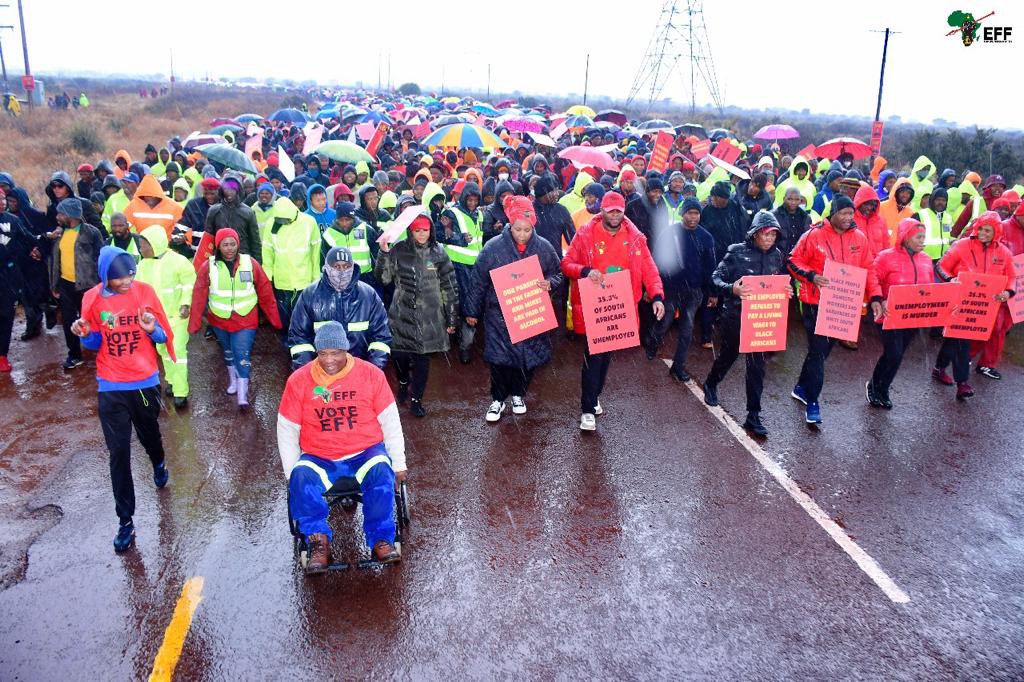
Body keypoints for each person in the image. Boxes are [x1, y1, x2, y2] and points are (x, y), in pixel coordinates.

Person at [277, 321, 407, 572]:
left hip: (365, 452)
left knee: (382, 471)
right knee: (301, 476)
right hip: (319, 456)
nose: (328, 360)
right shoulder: (299, 381)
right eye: (323, 353)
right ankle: (318, 541)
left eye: (335, 353)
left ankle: (381, 538)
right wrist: (290, 472)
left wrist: (399, 462)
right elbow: (287, 428)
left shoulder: (371, 375)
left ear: (346, 350)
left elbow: (390, 420)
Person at [71, 246, 176, 553]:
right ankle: (125, 522)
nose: (127, 282)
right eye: (119, 278)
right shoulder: (92, 298)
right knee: (118, 452)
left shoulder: (145, 292)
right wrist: (84, 333)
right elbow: (93, 342)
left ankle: (158, 462)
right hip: (111, 385)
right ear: (105, 277)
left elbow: (162, 336)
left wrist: (152, 328)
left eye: (130, 274)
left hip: (144, 383)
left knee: (150, 437)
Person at [561, 191, 665, 432]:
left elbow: (649, 269)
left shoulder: (636, 237)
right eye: (611, 211)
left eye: (619, 210)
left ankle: (594, 396)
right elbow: (566, 264)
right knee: (593, 357)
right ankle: (587, 409)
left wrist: (657, 295)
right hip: (593, 305)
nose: (615, 215)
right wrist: (585, 272)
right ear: (603, 210)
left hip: (620, 306)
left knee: (606, 355)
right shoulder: (586, 233)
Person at [463, 196, 563, 422]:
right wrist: (471, 311)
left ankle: (518, 394)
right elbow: (478, 280)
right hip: (499, 315)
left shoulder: (544, 247)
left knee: (526, 360)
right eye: (518, 229)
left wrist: (550, 284)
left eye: (527, 230)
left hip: (529, 312)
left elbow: (558, 273)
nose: (522, 234)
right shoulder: (493, 248)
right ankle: (497, 399)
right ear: (510, 224)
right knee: (500, 360)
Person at [787, 195, 881, 424]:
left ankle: (800, 387)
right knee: (819, 350)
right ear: (833, 213)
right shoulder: (814, 234)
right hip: (814, 301)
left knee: (823, 351)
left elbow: (869, 268)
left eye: (851, 213)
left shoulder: (859, 238)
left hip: (843, 304)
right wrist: (812, 276)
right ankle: (812, 401)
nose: (849, 217)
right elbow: (792, 261)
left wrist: (877, 296)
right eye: (844, 213)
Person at [702, 211, 794, 436]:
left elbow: (776, 282)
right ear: (754, 234)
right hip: (735, 316)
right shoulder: (736, 252)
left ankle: (753, 414)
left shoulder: (777, 255)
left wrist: (786, 290)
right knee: (728, 357)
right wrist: (732, 288)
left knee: (756, 368)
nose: (769, 239)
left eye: (774, 235)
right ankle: (711, 383)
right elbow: (715, 277)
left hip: (761, 321)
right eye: (765, 234)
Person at [374, 213, 458, 418]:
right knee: (400, 356)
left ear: (431, 230)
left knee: (423, 360)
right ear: (411, 231)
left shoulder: (439, 253)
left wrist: (452, 318)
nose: (422, 234)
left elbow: (449, 287)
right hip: (402, 313)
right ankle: (403, 382)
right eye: (418, 230)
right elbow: (383, 278)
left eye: (425, 230)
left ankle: (416, 399)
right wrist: (383, 253)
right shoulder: (399, 250)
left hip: (430, 317)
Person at [188, 228, 282, 409]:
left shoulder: (250, 263)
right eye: (225, 244)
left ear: (238, 244)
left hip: (245, 319)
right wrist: (195, 322)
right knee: (228, 351)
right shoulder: (209, 266)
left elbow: (265, 291)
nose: (229, 248)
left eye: (233, 244)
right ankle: (233, 380)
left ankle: (242, 393)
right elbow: (199, 295)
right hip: (220, 319)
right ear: (218, 246)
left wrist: (274, 319)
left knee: (241, 352)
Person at [933, 211, 1015, 396]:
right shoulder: (962, 246)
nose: (984, 233)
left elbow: (1012, 278)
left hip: (983, 307)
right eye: (981, 229)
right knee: (960, 340)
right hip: (959, 302)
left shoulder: (1004, 253)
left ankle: (939, 368)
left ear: (997, 233)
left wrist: (1007, 292)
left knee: (956, 339)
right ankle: (962, 382)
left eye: (989, 231)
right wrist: (951, 279)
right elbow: (941, 266)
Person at [864, 218, 934, 409]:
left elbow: (932, 290)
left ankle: (883, 387)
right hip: (889, 315)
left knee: (898, 354)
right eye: (918, 237)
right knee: (893, 353)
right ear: (906, 237)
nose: (922, 240)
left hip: (913, 318)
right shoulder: (886, 257)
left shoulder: (927, 260)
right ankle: (875, 386)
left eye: (924, 237)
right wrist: (878, 298)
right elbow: (872, 278)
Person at [288, 247, 392, 370]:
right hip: (322, 372)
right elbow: (299, 338)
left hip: (359, 371)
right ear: (326, 267)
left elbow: (381, 337)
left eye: (347, 266)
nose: (342, 271)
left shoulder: (369, 295)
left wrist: (371, 371)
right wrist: (309, 372)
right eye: (336, 267)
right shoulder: (309, 295)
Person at [647, 197, 717, 381]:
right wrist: (655, 290)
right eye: (689, 213)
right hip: (670, 290)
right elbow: (656, 262)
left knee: (687, 330)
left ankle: (678, 367)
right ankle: (652, 345)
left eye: (696, 213)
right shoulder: (669, 233)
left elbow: (711, 268)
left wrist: (712, 292)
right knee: (664, 323)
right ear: (682, 214)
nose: (693, 217)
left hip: (694, 292)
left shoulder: (706, 237)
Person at [135, 225, 195, 408]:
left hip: (177, 317)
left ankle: (181, 392)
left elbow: (189, 284)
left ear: (155, 244)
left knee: (176, 350)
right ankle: (171, 380)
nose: (140, 248)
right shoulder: (142, 264)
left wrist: (185, 303)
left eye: (144, 245)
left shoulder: (179, 261)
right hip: (156, 319)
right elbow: (137, 290)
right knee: (163, 351)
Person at [49, 198, 104, 370]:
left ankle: (102, 350)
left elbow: (100, 258)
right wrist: (54, 284)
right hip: (66, 284)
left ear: (71, 215)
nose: (58, 216)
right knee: (68, 321)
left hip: (88, 285)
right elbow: (55, 260)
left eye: (61, 213)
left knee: (93, 319)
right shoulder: (59, 233)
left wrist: (102, 285)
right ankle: (74, 354)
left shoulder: (92, 233)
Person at [438, 181, 484, 363]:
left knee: (471, 304)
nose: (472, 203)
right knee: (454, 302)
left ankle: (465, 344)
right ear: (463, 198)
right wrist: (459, 239)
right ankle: (453, 338)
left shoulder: (479, 214)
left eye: (475, 200)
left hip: (475, 267)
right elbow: (441, 233)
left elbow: (480, 237)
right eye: (469, 200)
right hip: (456, 266)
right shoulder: (451, 213)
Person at [263, 196, 321, 338]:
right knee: (284, 316)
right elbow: (267, 253)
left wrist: (315, 277)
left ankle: (302, 340)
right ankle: (288, 342)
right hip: (282, 281)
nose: (284, 223)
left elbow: (316, 253)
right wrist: (267, 279)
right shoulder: (272, 224)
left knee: (303, 315)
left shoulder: (308, 222)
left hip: (304, 280)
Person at [0, 193, 41, 371]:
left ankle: (2, 356)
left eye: (3, 200)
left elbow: (28, 237)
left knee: (6, 315)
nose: (2, 203)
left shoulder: (12, 220)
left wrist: (45, 237)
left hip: (8, 275)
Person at [199, 174, 262, 264]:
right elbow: (208, 240)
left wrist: (257, 264)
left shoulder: (248, 212)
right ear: (222, 191)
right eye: (226, 189)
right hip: (220, 259)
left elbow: (255, 242)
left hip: (243, 259)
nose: (229, 192)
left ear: (238, 191)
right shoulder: (214, 211)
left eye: (233, 189)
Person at [773, 186, 811, 255]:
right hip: (779, 257)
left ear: (800, 200)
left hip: (798, 257)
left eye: (797, 199)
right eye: (790, 199)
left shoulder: (805, 217)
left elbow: (807, 240)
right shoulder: (774, 216)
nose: (793, 202)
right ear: (784, 199)